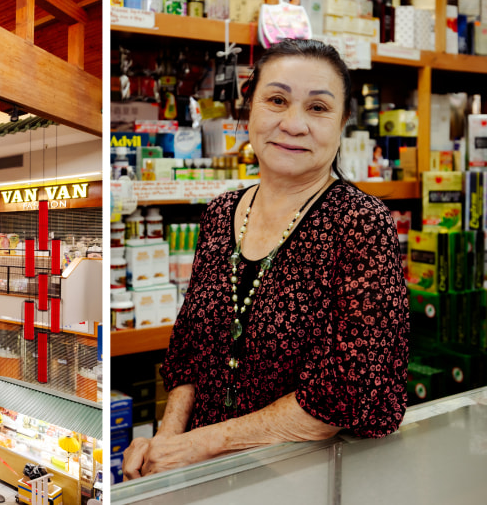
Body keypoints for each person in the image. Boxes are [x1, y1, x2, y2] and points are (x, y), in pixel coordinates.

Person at [122, 39, 409, 480]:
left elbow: (348, 393)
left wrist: (199, 445)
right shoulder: (220, 213)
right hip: (207, 478)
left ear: (343, 122)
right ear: (249, 110)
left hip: (306, 477)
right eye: (277, 100)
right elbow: (189, 348)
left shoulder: (362, 223)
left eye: (317, 108)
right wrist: (167, 443)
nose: (293, 124)